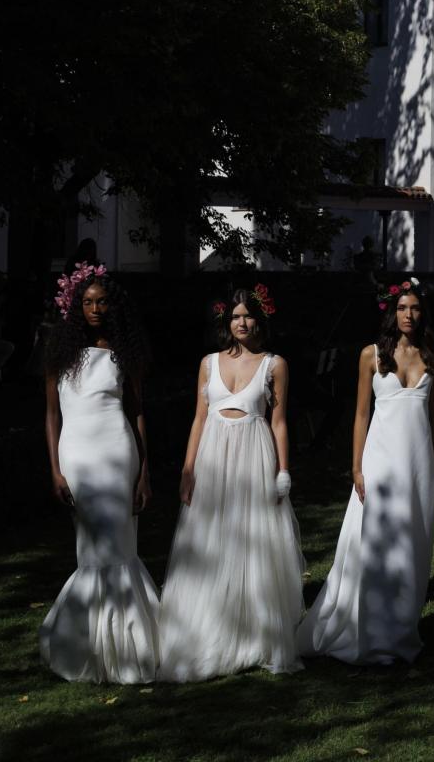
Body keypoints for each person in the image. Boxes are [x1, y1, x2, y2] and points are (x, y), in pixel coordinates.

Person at [157, 286, 305, 681]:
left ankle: (251, 628)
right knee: (210, 535)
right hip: (213, 456)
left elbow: (278, 422)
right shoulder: (208, 363)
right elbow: (198, 418)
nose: (241, 323)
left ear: (259, 320)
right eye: (236, 316)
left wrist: (283, 470)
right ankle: (207, 622)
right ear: (227, 321)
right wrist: (188, 469)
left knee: (251, 538)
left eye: (248, 316)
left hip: (254, 455)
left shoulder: (274, 364)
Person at [299, 280, 434, 665]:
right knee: (375, 538)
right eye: (402, 308)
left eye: (415, 308)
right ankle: (369, 629)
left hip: (418, 463)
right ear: (392, 313)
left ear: (423, 313)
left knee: (412, 542)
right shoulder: (371, 355)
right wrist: (356, 467)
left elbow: (432, 417)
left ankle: (401, 626)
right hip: (379, 460)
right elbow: (361, 414)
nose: (409, 315)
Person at [38, 264, 160, 683]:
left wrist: (144, 473)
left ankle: (127, 649)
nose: (94, 308)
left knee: (121, 545)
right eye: (88, 302)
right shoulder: (59, 352)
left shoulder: (124, 352)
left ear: (112, 306)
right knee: (92, 549)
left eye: (102, 302)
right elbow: (51, 416)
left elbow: (137, 412)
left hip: (118, 451)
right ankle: (88, 646)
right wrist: (55, 470)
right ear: (77, 306)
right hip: (77, 456)